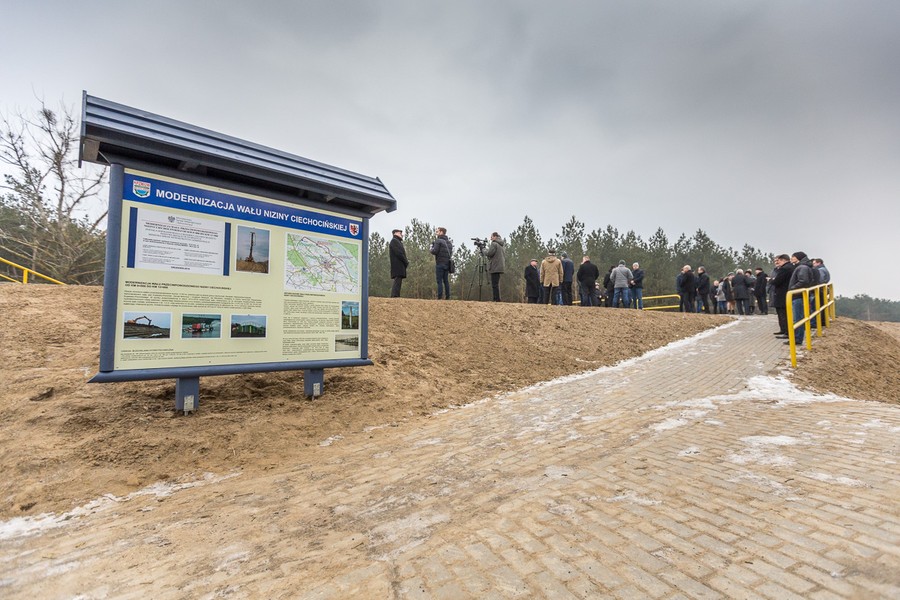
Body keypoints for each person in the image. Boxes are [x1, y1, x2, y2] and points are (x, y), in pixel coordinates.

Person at [788, 251, 815, 344]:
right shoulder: (803, 266)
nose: (791, 258)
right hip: (799, 295)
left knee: (798, 318)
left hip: (798, 296)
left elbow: (803, 281)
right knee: (798, 317)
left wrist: (792, 288)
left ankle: (797, 339)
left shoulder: (802, 267)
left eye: (793, 257)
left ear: (798, 258)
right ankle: (797, 338)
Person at [770, 254, 794, 337]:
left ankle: (786, 331)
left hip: (782, 294)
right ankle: (783, 330)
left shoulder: (784, 269)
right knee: (783, 313)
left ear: (783, 260)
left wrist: (771, 280)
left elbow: (777, 281)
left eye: (778, 261)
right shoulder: (791, 267)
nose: (777, 262)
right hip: (786, 293)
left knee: (783, 313)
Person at [429, 227, 453, 300]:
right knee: (446, 281)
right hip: (447, 264)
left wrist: (431, 248)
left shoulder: (438, 241)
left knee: (439, 281)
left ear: (441, 232)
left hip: (440, 263)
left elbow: (435, 251)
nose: (436, 233)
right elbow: (450, 253)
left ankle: (439, 297)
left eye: (437, 231)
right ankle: (447, 297)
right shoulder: (449, 243)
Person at [485, 232, 507, 302]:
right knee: (496, 283)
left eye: (491, 237)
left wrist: (483, 250)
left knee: (494, 284)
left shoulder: (494, 243)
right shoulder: (501, 244)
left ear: (495, 237)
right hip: (500, 266)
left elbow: (489, 253)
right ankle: (497, 298)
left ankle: (496, 299)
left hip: (495, 266)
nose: (490, 238)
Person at [388, 228, 409, 298]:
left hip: (399, 264)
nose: (401, 235)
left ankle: (396, 295)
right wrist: (405, 261)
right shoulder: (394, 241)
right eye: (400, 233)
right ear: (395, 233)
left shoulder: (398, 241)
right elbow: (399, 253)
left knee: (398, 280)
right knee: (397, 280)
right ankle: (395, 296)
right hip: (397, 264)